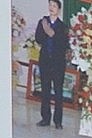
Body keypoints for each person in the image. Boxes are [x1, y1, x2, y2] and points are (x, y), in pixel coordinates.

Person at [33, 0, 67, 128]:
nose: (51, 8)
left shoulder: (62, 26)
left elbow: (64, 44)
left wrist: (52, 34)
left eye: (54, 6)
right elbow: (38, 39)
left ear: (59, 9)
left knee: (58, 91)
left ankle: (58, 121)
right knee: (45, 90)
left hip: (58, 63)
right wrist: (46, 31)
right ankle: (45, 118)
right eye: (50, 5)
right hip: (45, 61)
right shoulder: (42, 22)